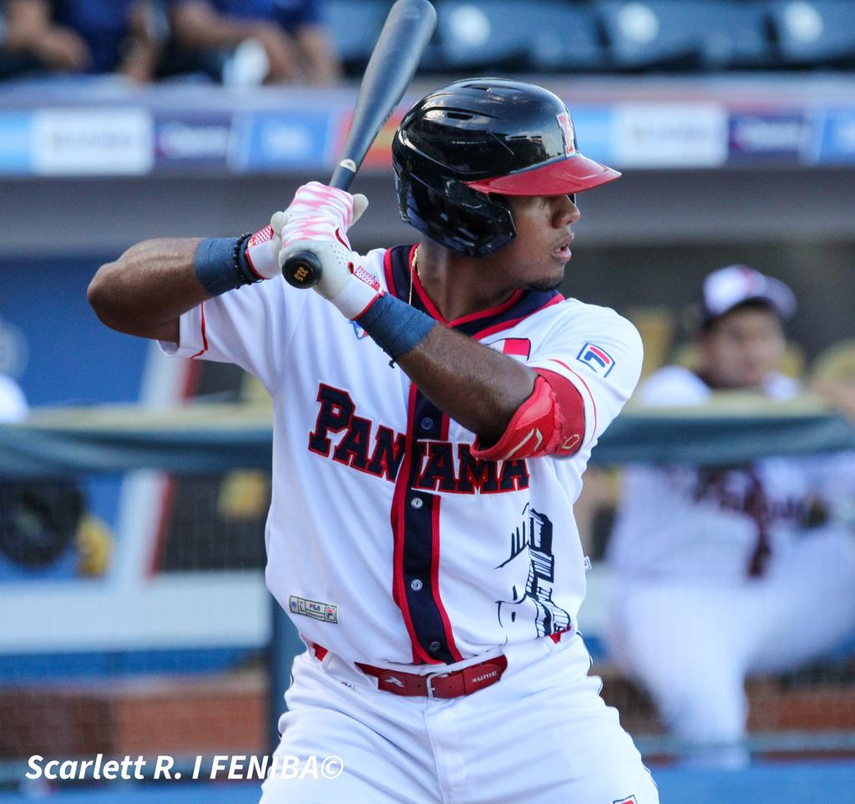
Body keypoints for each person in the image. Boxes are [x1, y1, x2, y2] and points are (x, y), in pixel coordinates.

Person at [88, 78, 658, 802]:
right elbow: (114, 297)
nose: (569, 211)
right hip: (350, 714)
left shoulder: (588, 332)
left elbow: (531, 415)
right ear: (466, 205)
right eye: (541, 194)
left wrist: (352, 293)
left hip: (529, 701)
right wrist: (257, 252)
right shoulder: (308, 292)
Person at [606, 264, 855, 768]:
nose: (753, 349)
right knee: (714, 726)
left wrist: (842, 422)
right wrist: (812, 409)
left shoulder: (793, 401)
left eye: (764, 334)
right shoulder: (673, 392)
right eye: (736, 335)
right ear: (704, 341)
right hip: (670, 601)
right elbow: (724, 435)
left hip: (768, 600)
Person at [167, 0, 340, 85]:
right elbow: (187, 23)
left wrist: (301, 77)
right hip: (202, 81)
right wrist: (255, 33)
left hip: (275, 92)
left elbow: (320, 54)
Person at [1, 0, 161, 81]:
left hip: (111, 83)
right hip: (54, 81)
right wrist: (44, 38)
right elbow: (21, 31)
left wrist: (140, 61)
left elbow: (147, 35)